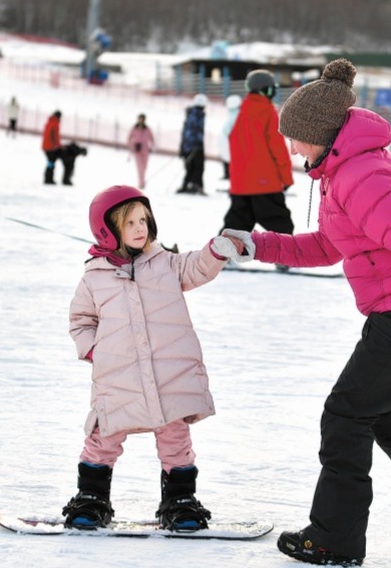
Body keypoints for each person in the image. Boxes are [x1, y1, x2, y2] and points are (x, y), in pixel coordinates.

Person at [221, 58, 391, 566]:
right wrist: (257, 246)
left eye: (294, 138)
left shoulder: (361, 176)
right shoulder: (341, 172)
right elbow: (330, 245)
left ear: (320, 133)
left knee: (346, 415)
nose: (290, 148)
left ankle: (334, 539)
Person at [63, 185, 244, 532]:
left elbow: (196, 267)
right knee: (103, 439)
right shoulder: (95, 277)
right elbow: (80, 321)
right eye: (129, 223)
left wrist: (217, 250)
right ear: (108, 229)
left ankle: (179, 501)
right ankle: (92, 498)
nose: (140, 228)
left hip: (168, 378)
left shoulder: (166, 264)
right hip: (118, 378)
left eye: (143, 220)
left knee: (175, 440)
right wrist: (96, 352)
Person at [221, 70, 293, 270]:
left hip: (241, 183)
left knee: (237, 223)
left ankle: (222, 255)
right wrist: (286, 177)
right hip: (265, 182)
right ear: (267, 90)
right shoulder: (268, 112)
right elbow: (277, 147)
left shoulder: (240, 113)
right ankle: (284, 259)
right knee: (280, 222)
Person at [177, 94, 206, 194]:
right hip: (195, 146)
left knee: (191, 167)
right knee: (198, 167)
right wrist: (197, 144)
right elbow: (196, 131)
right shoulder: (197, 114)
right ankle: (195, 186)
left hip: (187, 146)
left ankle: (188, 185)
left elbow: (186, 132)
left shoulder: (191, 113)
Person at [127, 113, 155, 189]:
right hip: (137, 151)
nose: (141, 121)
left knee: (144, 167)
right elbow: (129, 138)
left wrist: (151, 147)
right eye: (140, 119)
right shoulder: (134, 128)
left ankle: (142, 181)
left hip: (145, 151)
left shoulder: (147, 129)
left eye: (142, 119)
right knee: (140, 168)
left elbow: (152, 139)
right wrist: (133, 146)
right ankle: (141, 183)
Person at [219, 94, 241, 180]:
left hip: (231, 142)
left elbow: (227, 130)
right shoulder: (237, 114)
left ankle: (230, 175)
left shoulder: (234, 116)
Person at [42, 110, 63, 185]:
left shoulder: (49, 121)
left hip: (45, 146)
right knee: (51, 162)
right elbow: (55, 136)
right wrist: (59, 145)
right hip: (50, 147)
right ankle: (49, 179)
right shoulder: (55, 123)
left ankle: (47, 178)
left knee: (50, 162)